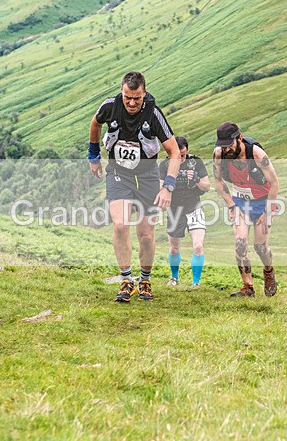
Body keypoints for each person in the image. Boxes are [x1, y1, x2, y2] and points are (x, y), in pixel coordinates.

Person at [88, 71, 181, 303]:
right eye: (127, 97)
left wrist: (167, 186)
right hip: (119, 173)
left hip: (147, 176)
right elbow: (95, 122)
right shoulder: (110, 105)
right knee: (120, 224)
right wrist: (93, 155)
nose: (131, 103)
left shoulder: (154, 114)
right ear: (122, 91)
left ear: (144, 93)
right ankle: (126, 280)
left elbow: (175, 152)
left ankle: (145, 281)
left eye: (136, 98)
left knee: (146, 235)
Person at [212, 122, 279, 297]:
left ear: (239, 138)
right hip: (240, 202)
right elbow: (218, 180)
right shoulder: (219, 154)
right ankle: (247, 287)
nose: (226, 150)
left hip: (262, 202)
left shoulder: (256, 154)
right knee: (240, 244)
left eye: (229, 145)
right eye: (223, 146)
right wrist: (231, 204)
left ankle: (268, 271)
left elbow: (274, 183)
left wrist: (268, 211)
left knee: (260, 247)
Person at [158, 136, 211, 288]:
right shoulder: (164, 165)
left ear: (187, 150)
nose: (181, 158)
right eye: (178, 154)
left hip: (194, 207)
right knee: (174, 249)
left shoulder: (196, 162)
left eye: (183, 154)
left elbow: (207, 186)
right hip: (174, 210)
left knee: (198, 246)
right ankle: (174, 278)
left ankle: (196, 283)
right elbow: (160, 186)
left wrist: (195, 178)